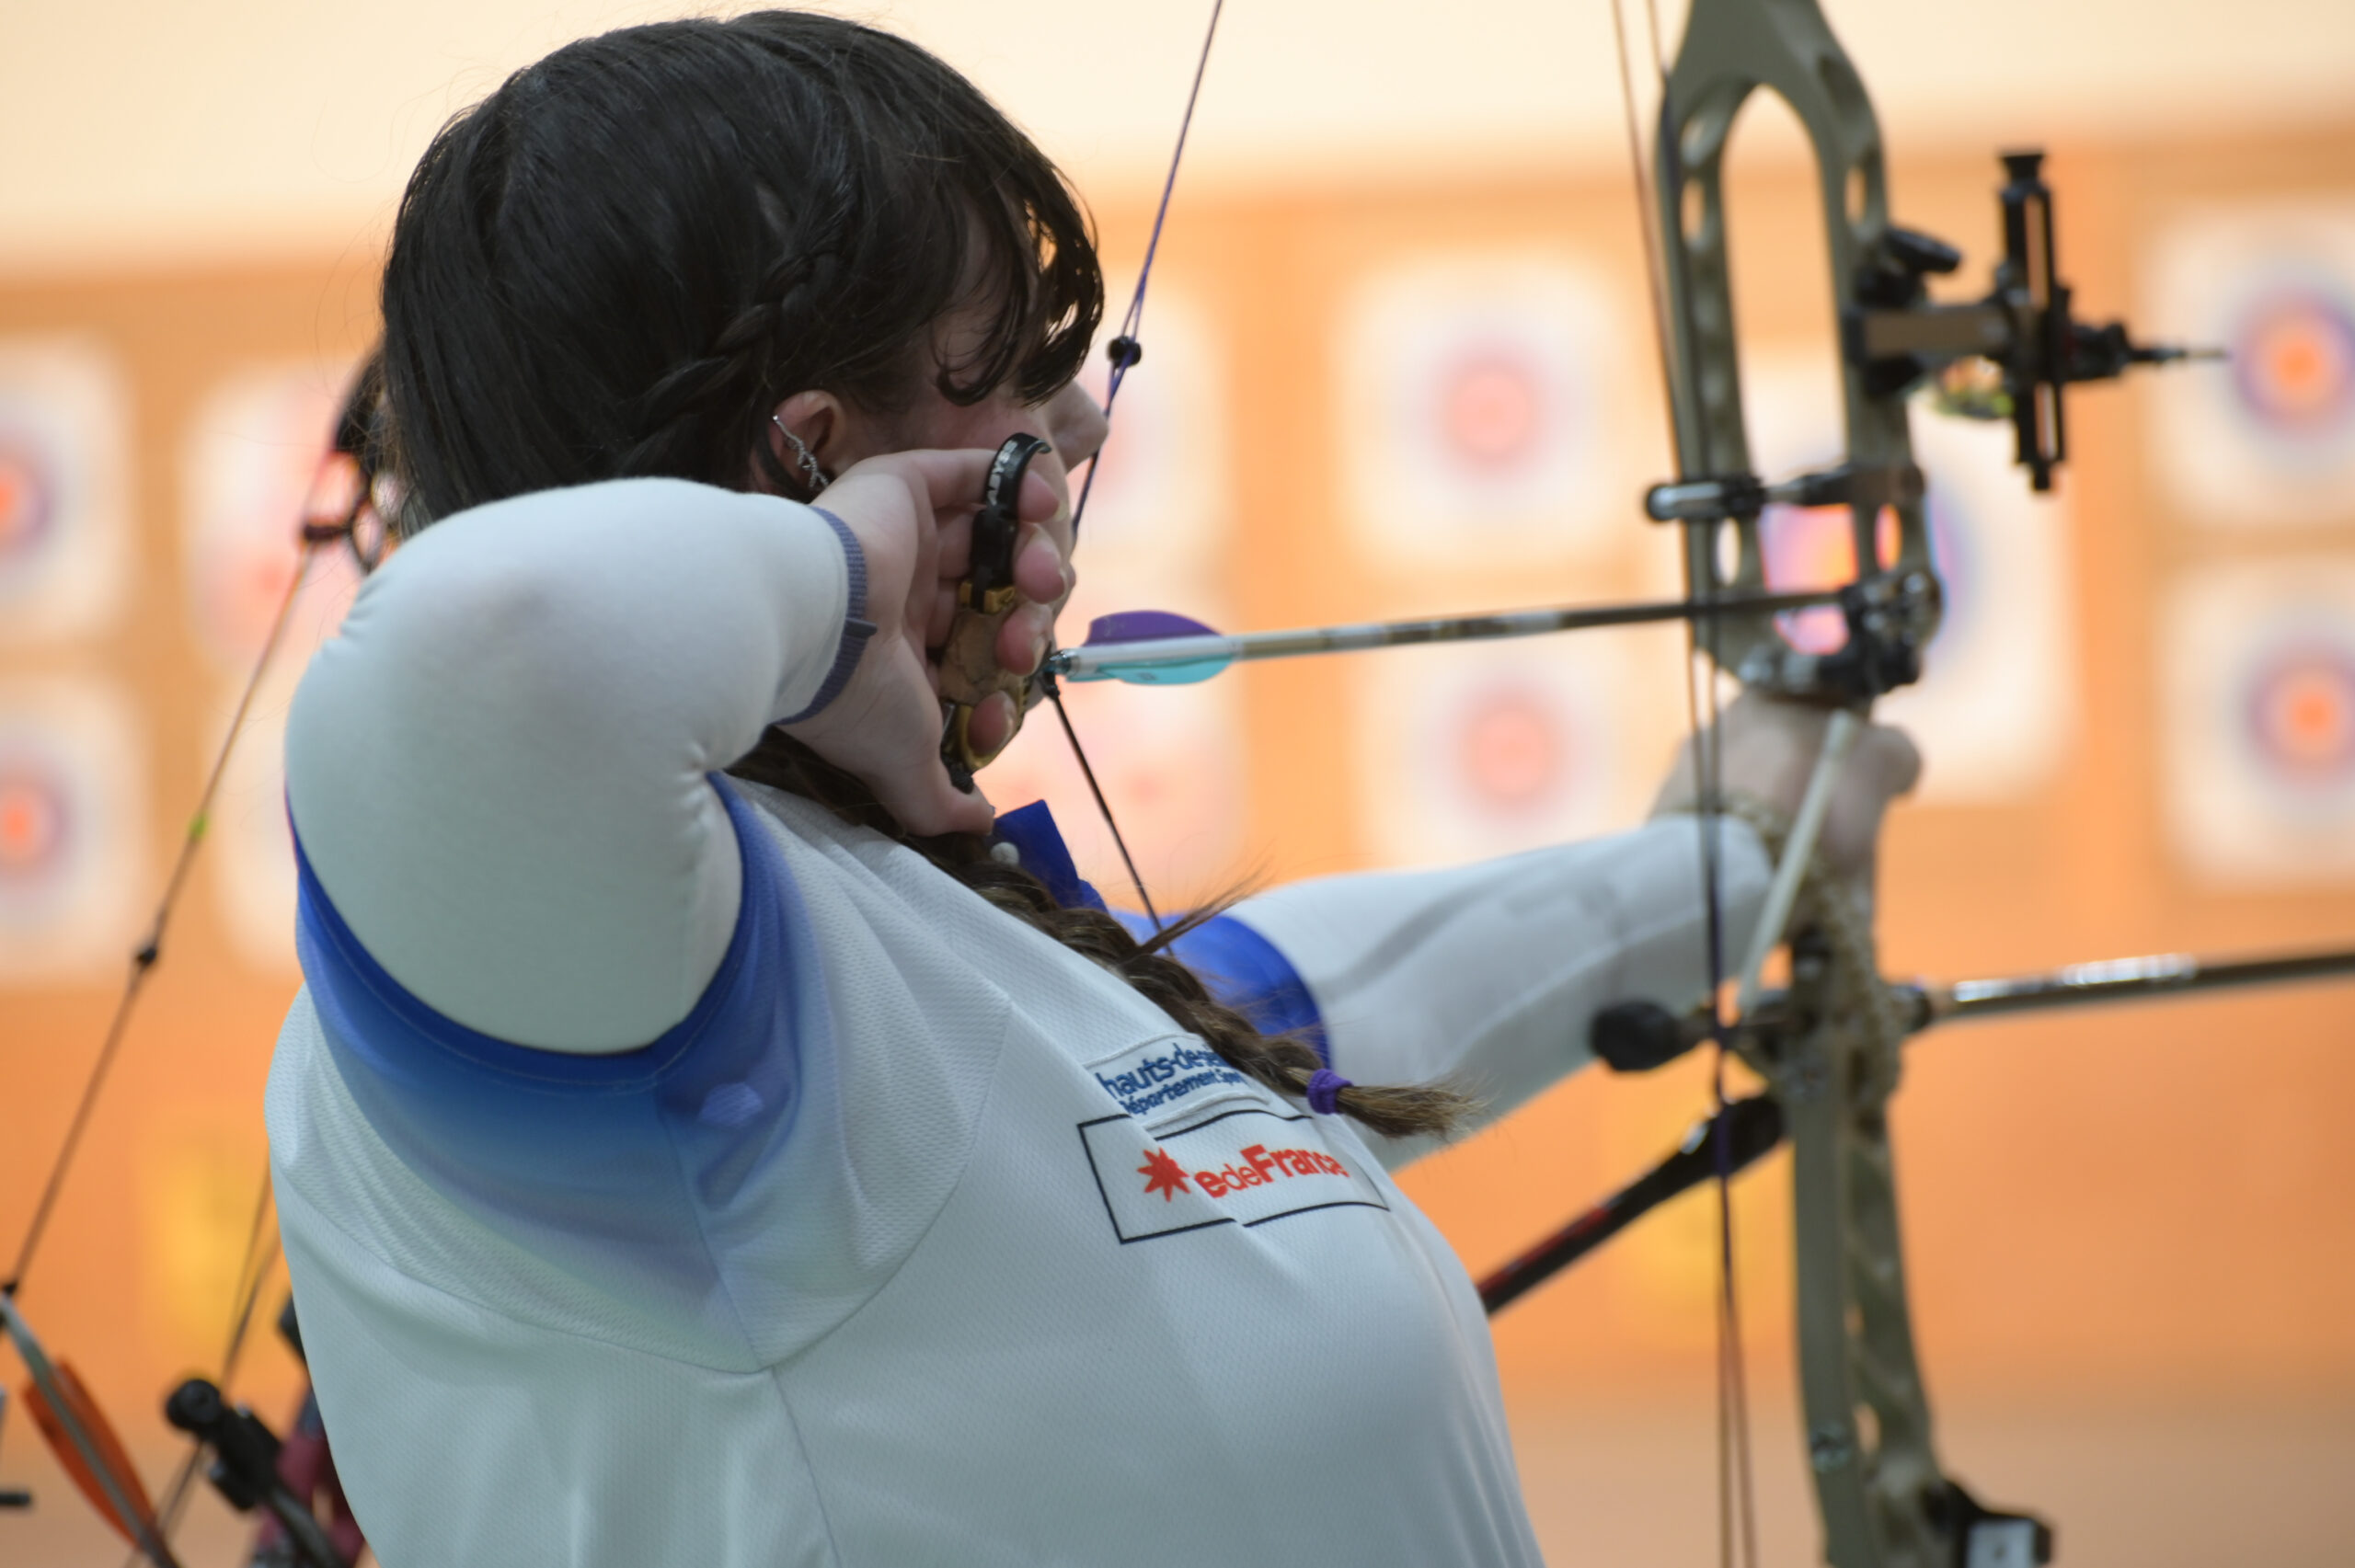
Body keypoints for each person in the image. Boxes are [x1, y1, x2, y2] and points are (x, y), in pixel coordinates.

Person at [266, 12, 1920, 1566]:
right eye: (1009, 366)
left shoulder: (883, 939)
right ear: (807, 454)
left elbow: (1250, 1034)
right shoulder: (622, 1010)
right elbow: (492, 647)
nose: (1077, 424)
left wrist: (1733, 853)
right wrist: (845, 585)